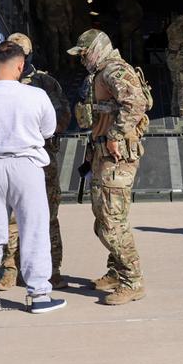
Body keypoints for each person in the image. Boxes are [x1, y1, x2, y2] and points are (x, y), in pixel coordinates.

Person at [0, 41, 66, 314]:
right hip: (26, 167)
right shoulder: (36, 96)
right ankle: (39, 295)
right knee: (34, 229)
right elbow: (48, 130)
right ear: (21, 65)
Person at [68, 29, 151, 306]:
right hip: (102, 153)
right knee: (106, 217)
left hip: (116, 157)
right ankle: (117, 271)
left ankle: (133, 280)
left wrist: (115, 135)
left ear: (97, 49)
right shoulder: (103, 72)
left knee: (111, 223)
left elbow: (136, 102)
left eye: (83, 54)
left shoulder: (114, 70)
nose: (82, 60)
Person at [0, 33, 71, 292]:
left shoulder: (45, 83)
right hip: (8, 160)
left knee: (47, 215)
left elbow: (63, 119)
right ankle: (11, 268)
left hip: (41, 159)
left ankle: (51, 270)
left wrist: (30, 129)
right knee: (9, 218)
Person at [36, 0, 74, 73]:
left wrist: (43, 22)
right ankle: (71, 63)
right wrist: (70, 23)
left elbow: (39, 11)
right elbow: (69, 10)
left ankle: (56, 67)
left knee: (54, 45)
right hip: (63, 22)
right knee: (67, 43)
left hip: (50, 23)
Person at [117, 0, 144, 65]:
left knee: (138, 46)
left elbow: (140, 14)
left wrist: (137, 24)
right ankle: (126, 62)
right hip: (126, 27)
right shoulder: (122, 3)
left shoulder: (135, 3)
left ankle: (140, 63)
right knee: (126, 47)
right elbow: (119, 8)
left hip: (136, 27)